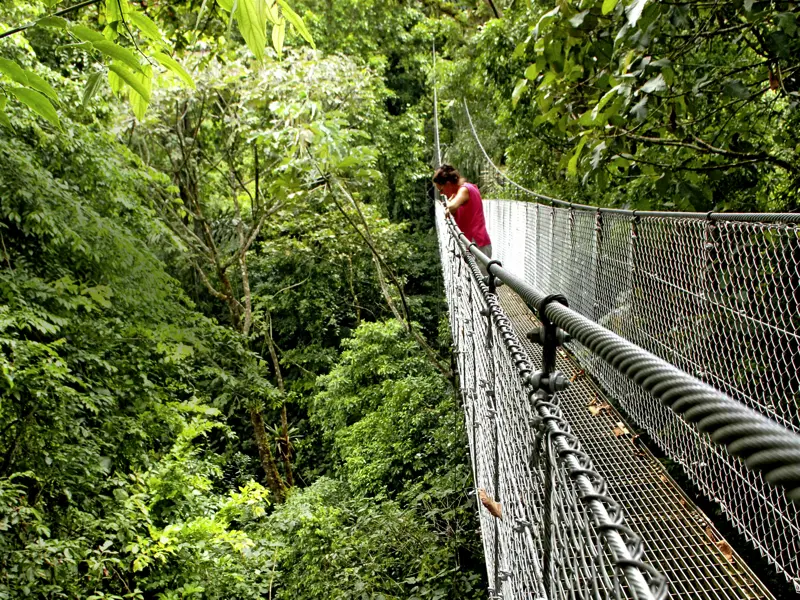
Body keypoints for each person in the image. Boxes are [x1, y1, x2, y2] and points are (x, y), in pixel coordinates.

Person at [433, 164, 494, 277]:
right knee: (477, 285)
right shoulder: (461, 191)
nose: (441, 194)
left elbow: (451, 208)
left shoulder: (465, 190)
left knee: (483, 287)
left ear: (448, 184)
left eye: (441, 190)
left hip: (478, 246)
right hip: (472, 246)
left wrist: (448, 205)